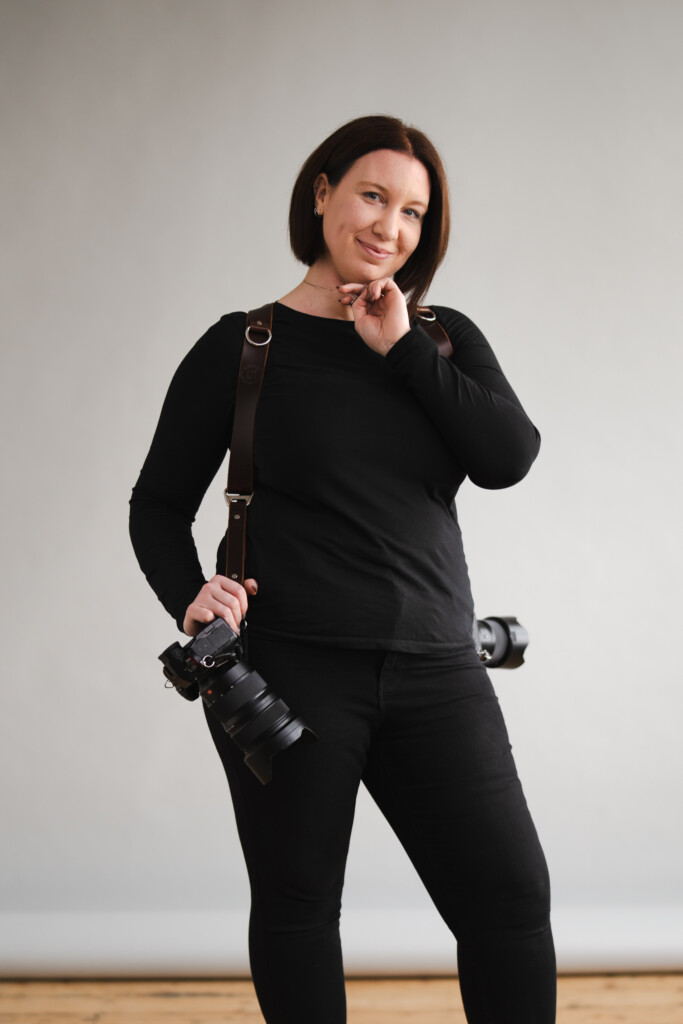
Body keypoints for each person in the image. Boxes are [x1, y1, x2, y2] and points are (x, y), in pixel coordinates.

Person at [129, 114, 556, 1024]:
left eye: (412, 212)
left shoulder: (440, 340)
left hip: (437, 665)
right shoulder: (243, 346)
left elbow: (506, 456)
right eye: (372, 195)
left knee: (508, 903)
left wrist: (398, 348)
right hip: (288, 671)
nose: (388, 227)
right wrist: (188, 597)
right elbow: (157, 505)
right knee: (297, 908)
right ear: (321, 192)